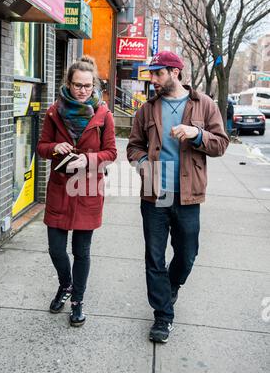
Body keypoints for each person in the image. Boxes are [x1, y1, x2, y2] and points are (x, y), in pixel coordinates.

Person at [127, 51, 229, 343]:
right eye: (151, 74)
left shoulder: (204, 104)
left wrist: (196, 134)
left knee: (187, 255)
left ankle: (169, 289)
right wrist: (143, 165)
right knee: (154, 258)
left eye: (158, 73)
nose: (153, 80)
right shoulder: (147, 109)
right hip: (154, 196)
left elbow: (221, 144)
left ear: (174, 72)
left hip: (188, 195)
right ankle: (163, 316)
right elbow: (133, 147)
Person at [37, 55, 117, 327]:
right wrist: (54, 148)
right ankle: (65, 283)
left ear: (94, 85)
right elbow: (41, 146)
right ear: (68, 84)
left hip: (88, 190)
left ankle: (77, 301)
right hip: (60, 188)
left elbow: (112, 153)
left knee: (82, 251)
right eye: (77, 85)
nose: (82, 90)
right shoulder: (53, 111)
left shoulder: (104, 115)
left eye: (87, 85)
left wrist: (90, 159)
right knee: (56, 249)